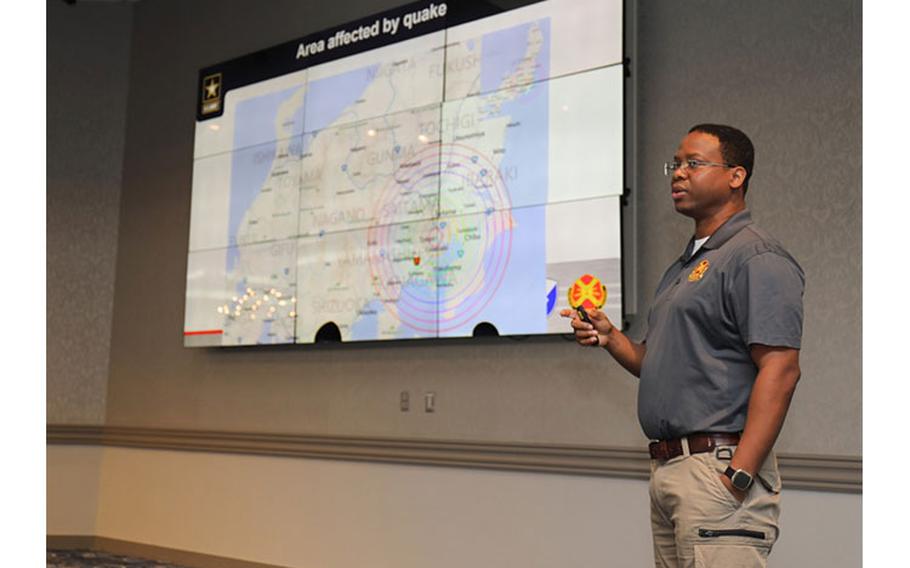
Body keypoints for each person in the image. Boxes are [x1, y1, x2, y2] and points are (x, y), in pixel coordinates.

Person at [562, 124, 804, 567]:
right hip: (671, 471)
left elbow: (782, 370)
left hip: (719, 471)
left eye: (693, 163)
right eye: (676, 164)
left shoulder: (756, 258)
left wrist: (739, 474)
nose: (678, 173)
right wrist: (611, 337)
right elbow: (658, 364)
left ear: (736, 176)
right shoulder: (685, 266)